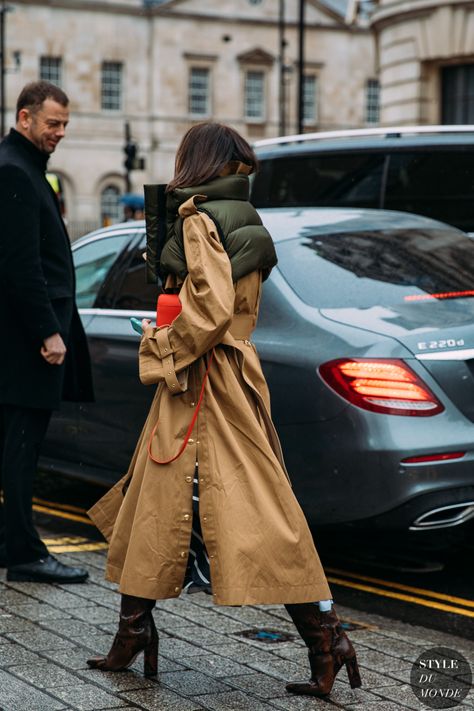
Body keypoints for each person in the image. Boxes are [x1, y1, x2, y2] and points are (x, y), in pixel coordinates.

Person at [86, 122, 361, 698]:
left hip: (204, 381)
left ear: (194, 161)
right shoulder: (243, 216)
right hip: (226, 375)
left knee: (257, 515)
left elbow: (207, 313)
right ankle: (134, 631)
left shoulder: (197, 219)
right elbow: (229, 309)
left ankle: (326, 636)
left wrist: (158, 344)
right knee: (156, 501)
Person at [0, 81, 94, 583]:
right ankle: (25, 553)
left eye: (64, 125)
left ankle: (7, 543)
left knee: (13, 444)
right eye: (52, 123)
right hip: (26, 340)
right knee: (22, 446)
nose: (59, 132)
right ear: (25, 119)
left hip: (22, 335)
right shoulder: (14, 171)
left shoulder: (25, 169)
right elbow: (19, 265)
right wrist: (47, 331)